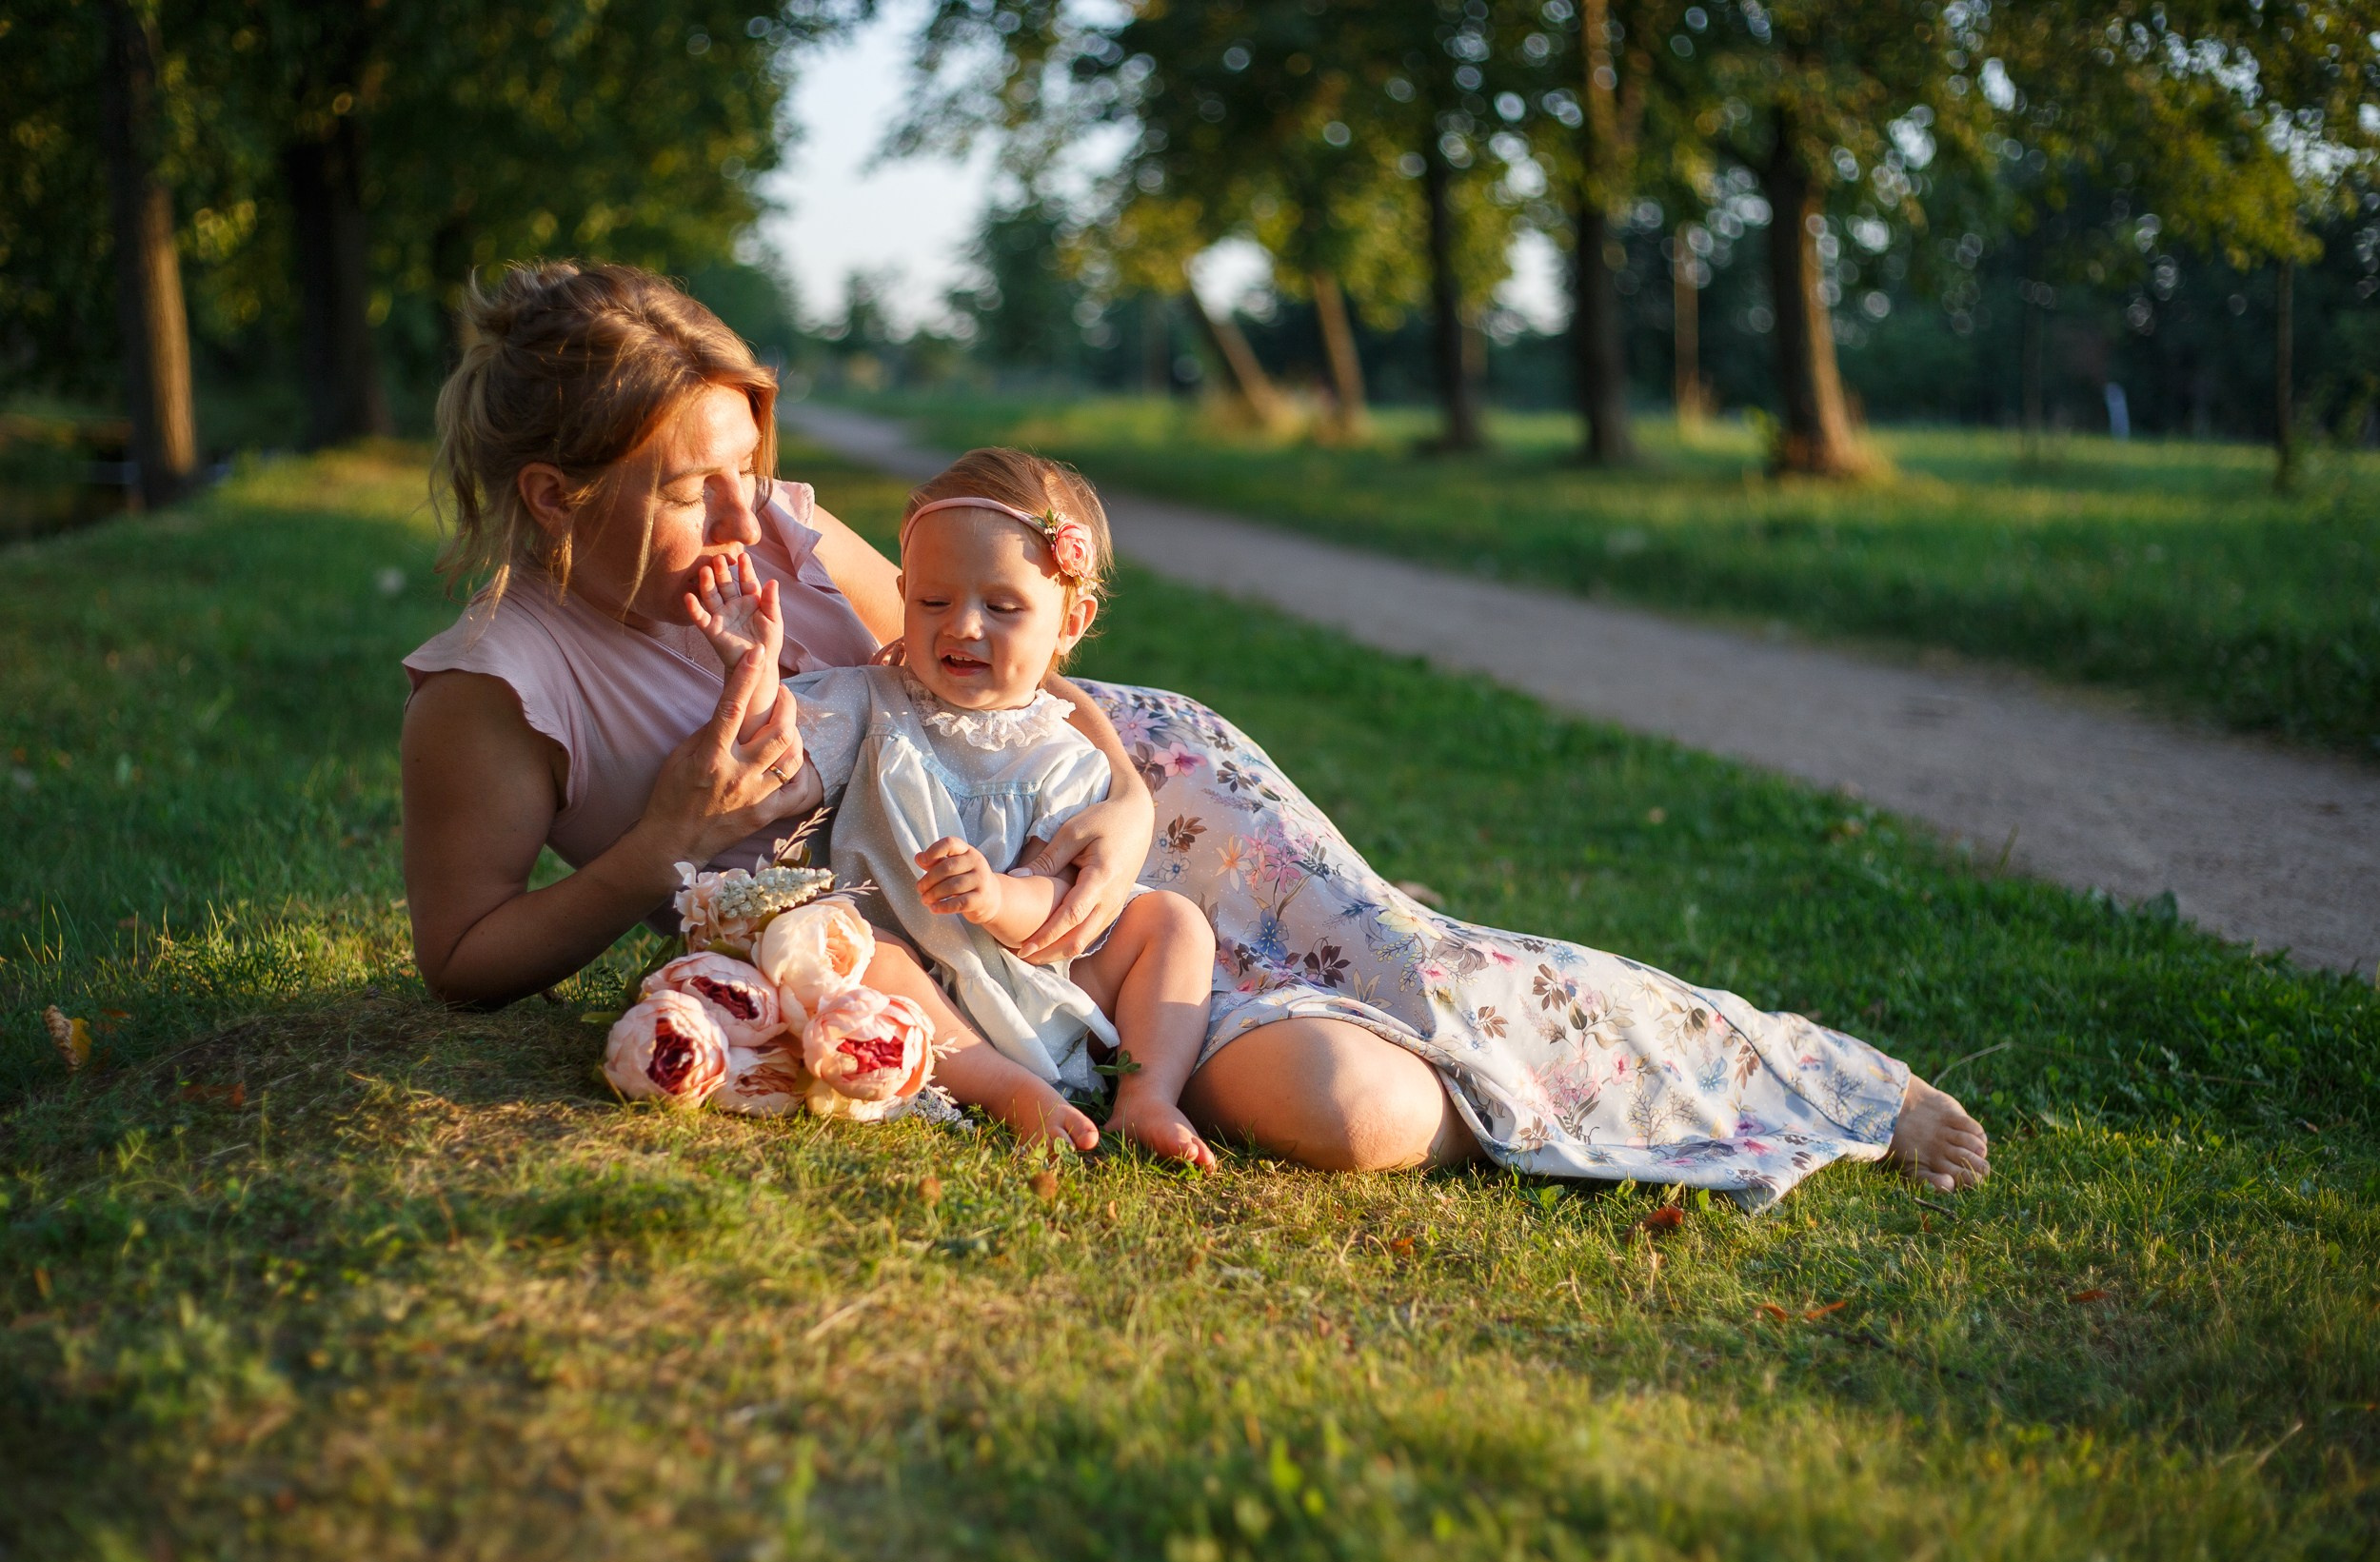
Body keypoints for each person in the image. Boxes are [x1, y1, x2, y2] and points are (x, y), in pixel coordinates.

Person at [402, 260, 1990, 1205]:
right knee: (1353, 1108)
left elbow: (989, 672)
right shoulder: (498, 681)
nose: (751, 509)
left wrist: (1109, 825)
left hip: (1115, 799)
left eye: (756, 462)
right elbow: (463, 958)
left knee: (1409, 957)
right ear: (559, 494)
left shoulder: (794, 535)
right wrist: (658, 848)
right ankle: (1478, 1102)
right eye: (698, 484)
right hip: (960, 951)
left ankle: (1823, 1080)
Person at [681, 449, 1220, 1168]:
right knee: (847, 942)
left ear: (1070, 622)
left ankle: (1147, 1096)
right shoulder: (869, 701)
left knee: (1173, 923)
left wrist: (997, 896)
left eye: (1001, 607)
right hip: (923, 986)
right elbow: (772, 760)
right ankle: (1005, 1089)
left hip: (1049, 980)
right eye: (934, 601)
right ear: (903, 596)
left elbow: (1067, 909)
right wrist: (750, 668)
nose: (963, 626)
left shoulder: (1065, 753)